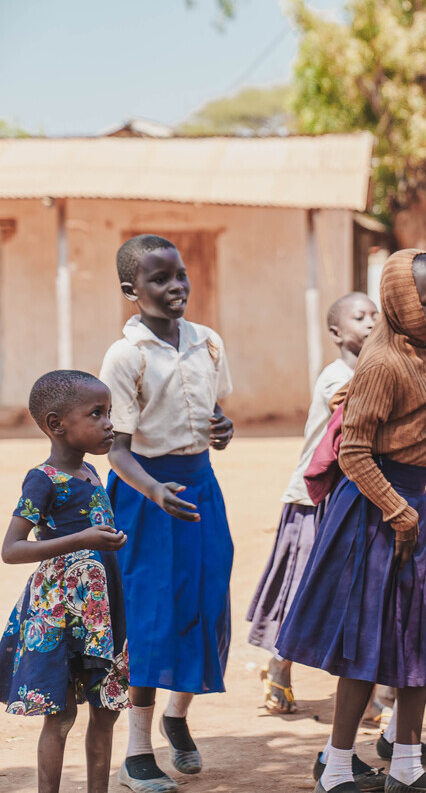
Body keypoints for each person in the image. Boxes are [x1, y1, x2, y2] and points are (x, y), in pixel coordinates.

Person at [276, 250, 426, 793]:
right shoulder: (384, 364)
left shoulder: (418, 352)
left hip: (405, 510)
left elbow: (398, 436)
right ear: (402, 305)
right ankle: (336, 768)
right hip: (374, 518)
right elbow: (356, 452)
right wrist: (401, 510)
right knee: (365, 643)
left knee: (416, 637)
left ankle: (405, 767)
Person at [100, 234, 235, 793]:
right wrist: (153, 490)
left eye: (179, 274)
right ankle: (137, 751)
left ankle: (177, 715)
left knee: (206, 601)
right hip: (144, 495)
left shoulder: (206, 343)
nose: (177, 285)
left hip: (200, 486)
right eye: (160, 279)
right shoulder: (125, 355)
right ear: (133, 291)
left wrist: (223, 428)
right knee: (149, 619)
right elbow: (115, 446)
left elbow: (215, 410)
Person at [247, 292, 378, 714]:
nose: (372, 322)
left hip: (351, 500)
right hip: (312, 501)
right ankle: (279, 668)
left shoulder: (371, 373)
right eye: (361, 317)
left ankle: (368, 692)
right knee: (302, 590)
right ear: (337, 332)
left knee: (356, 593)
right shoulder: (337, 378)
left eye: (376, 314)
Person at [0, 371, 131, 793]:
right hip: (61, 609)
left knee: (106, 709)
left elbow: (96, 533)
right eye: (97, 414)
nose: (109, 422)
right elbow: (12, 549)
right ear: (57, 424)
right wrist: (84, 540)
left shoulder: (94, 472)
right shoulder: (43, 479)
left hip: (101, 606)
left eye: (109, 412)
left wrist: (108, 541)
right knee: (61, 715)